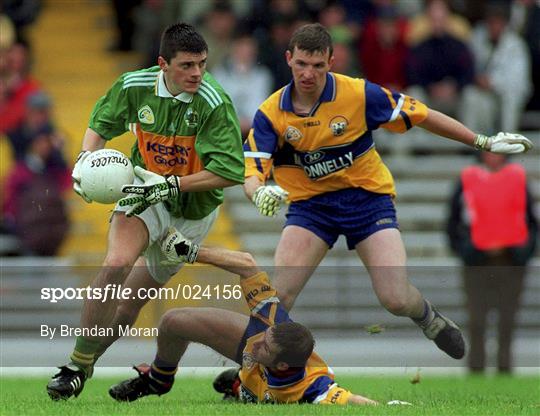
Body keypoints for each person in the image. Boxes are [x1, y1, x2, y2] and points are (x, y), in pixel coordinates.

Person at [242, 23, 533, 361]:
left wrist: (481, 140)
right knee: (279, 296)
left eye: (318, 65)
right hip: (311, 207)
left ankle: (429, 317)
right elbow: (252, 174)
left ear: (331, 62)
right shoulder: (270, 114)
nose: (309, 73)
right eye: (302, 64)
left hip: (367, 200)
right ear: (289, 59)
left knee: (394, 298)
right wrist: (258, 193)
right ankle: (246, 370)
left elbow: (422, 115)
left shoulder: (358, 94)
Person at [46, 22, 245, 400]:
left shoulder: (214, 102)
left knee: (129, 304)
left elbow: (229, 172)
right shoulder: (134, 86)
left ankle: (96, 361)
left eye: (201, 63)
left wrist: (172, 184)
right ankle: (77, 367)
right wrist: (84, 162)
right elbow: (100, 124)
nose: (197, 73)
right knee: (115, 264)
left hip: (192, 213)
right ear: (163, 64)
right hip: (143, 192)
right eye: (186, 65)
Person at [108, 228, 378, 406]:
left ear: (282, 366)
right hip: (265, 364)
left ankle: (240, 385)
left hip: (265, 378)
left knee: (246, 390)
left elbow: (357, 402)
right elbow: (247, 265)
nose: (255, 343)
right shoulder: (269, 323)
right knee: (172, 322)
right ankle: (158, 379)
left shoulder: (314, 390)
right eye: (263, 338)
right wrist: (189, 251)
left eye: (265, 347)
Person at [446, 152, 538, 373]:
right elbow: (453, 220)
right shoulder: (468, 178)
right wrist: (465, 250)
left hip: (509, 259)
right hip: (477, 261)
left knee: (507, 318)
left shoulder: (517, 177)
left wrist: (523, 253)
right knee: (477, 318)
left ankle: (505, 367)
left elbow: (530, 220)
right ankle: (476, 367)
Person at [459, 2, 532, 134]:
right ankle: (474, 144)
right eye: (491, 23)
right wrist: (478, 80)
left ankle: (508, 143)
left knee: (511, 99)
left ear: (504, 24)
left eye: (498, 23)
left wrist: (492, 82)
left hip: (510, 94)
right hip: (486, 95)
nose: (494, 27)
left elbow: (518, 81)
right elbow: (467, 67)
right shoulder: (477, 38)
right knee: (471, 96)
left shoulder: (515, 44)